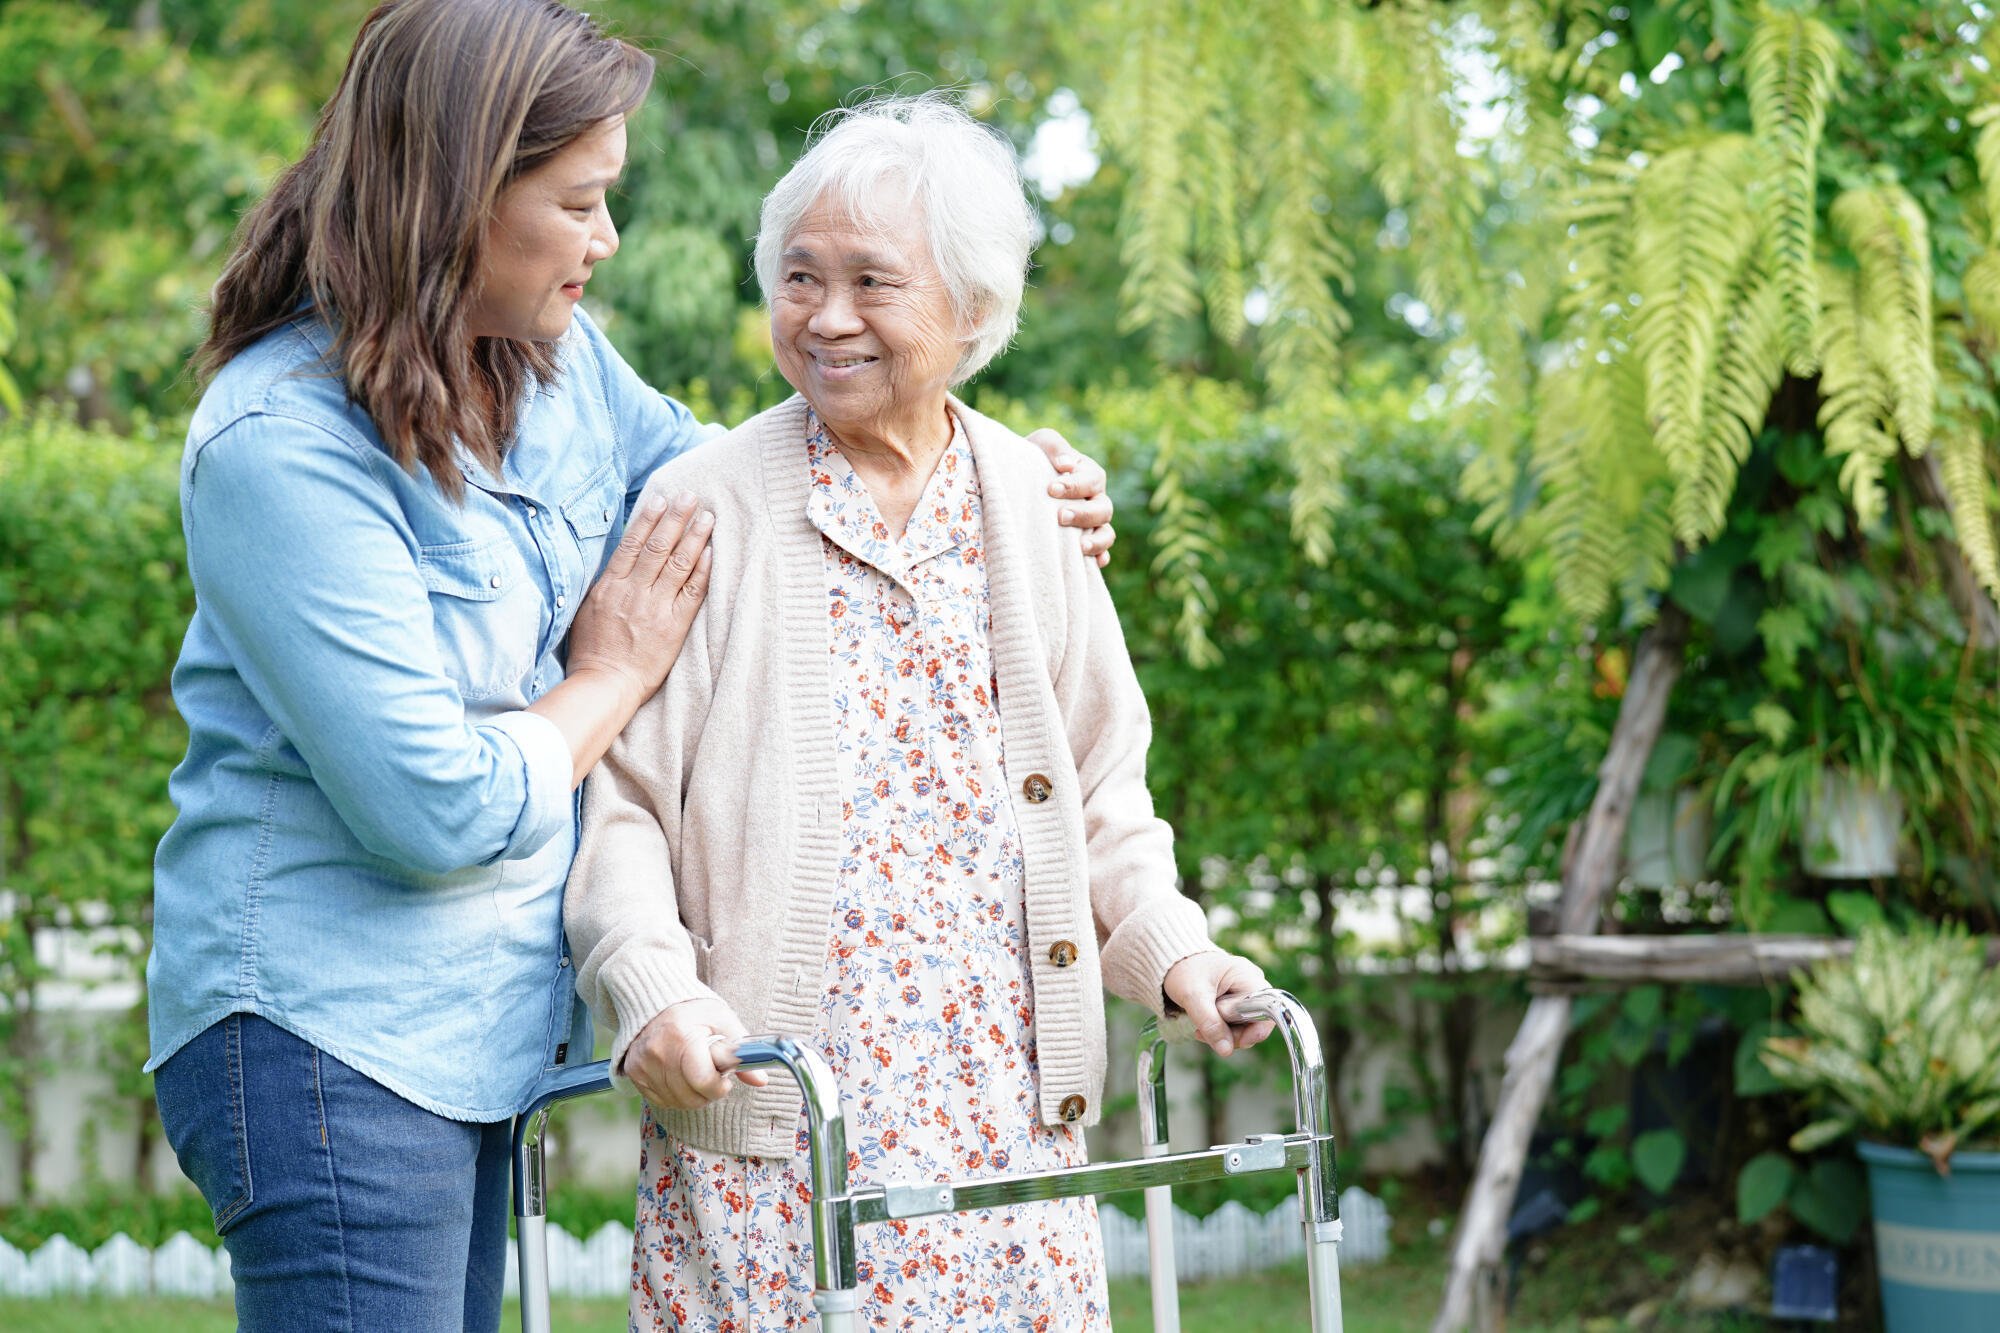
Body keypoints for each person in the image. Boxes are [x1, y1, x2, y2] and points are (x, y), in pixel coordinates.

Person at [143, 6, 1115, 1330]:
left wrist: (985, 472)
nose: (607, 239)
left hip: (471, 1037)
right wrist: (610, 671)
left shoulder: (554, 371)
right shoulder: (277, 447)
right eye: (580, 201)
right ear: (457, 199)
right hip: (333, 1036)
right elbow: (435, 809)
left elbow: (748, 490)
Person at [564, 93, 1273, 1332]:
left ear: (975, 312)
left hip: (1005, 1141)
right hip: (776, 1143)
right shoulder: (703, 507)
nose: (826, 318)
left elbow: (1104, 795)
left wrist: (1179, 955)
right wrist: (649, 986)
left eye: (871, 283)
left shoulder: (1031, 506)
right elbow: (621, 803)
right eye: (798, 278)